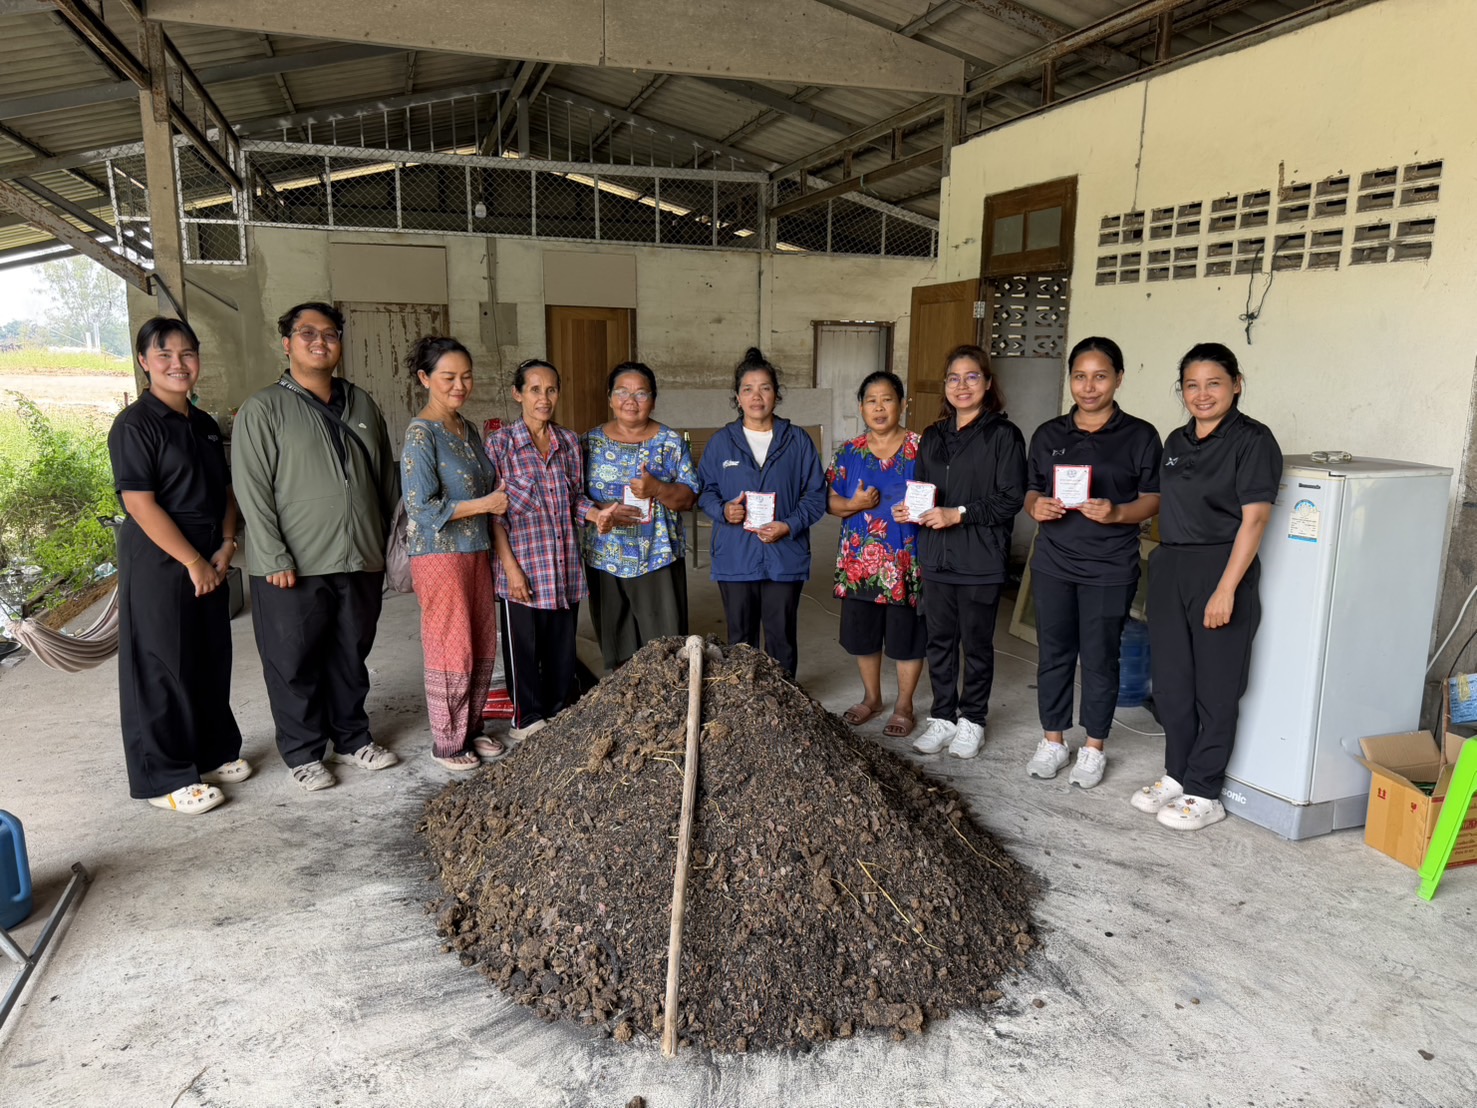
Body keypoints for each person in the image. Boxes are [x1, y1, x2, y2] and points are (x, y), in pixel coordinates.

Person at [233, 302, 403, 792]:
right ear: (287, 343)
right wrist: (273, 555)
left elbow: (384, 478)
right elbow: (252, 488)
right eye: (307, 333)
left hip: (360, 556)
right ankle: (304, 752)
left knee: (350, 653)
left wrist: (390, 545)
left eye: (330, 333)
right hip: (294, 563)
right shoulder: (264, 408)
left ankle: (352, 738)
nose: (320, 341)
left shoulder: (361, 403)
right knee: (293, 662)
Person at [1130, 342, 1281, 831]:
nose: (1202, 394)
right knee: (1172, 684)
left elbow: (1255, 520)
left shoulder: (1253, 440)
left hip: (1221, 566)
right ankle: (1177, 774)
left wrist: (1226, 588)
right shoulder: (1176, 441)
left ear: (1237, 385)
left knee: (1216, 688)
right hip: (1171, 565)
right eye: (1191, 385)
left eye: (1213, 383)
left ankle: (1204, 791)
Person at [108, 317, 248, 814]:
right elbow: (139, 503)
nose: (178, 364)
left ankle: (210, 752)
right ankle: (163, 778)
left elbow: (225, 490)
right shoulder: (135, 425)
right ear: (144, 362)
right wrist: (191, 560)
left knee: (208, 656)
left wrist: (227, 543)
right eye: (164, 354)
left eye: (187, 353)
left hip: (209, 554)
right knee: (161, 665)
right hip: (160, 558)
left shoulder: (203, 423)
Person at [1023, 337, 1163, 789]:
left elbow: (1154, 498)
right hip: (1054, 562)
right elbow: (1031, 488)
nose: (1088, 386)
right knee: (1054, 653)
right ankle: (1053, 740)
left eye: (1100, 376)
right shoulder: (1049, 434)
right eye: (1080, 377)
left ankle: (1093, 747)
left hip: (1110, 566)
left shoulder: (1140, 435)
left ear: (1119, 379)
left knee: (1101, 657)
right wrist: (1036, 506)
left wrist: (1118, 512)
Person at [486, 359, 620, 740]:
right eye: (534, 389)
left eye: (551, 390)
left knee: (562, 650)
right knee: (524, 652)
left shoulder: (569, 442)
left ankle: (560, 712)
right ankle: (526, 720)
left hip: (562, 567)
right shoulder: (500, 444)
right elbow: (494, 515)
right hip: (524, 568)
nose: (544, 398)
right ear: (518, 394)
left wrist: (596, 515)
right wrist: (510, 569)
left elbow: (575, 497)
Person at [907, 344, 1026, 760]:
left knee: (975, 645)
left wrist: (958, 514)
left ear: (988, 383)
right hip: (937, 557)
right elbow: (923, 490)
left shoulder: (1003, 435)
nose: (962, 385)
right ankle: (943, 716)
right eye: (954, 378)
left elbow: (1011, 498)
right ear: (945, 385)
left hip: (980, 559)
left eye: (972, 377)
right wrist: (912, 509)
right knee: (939, 641)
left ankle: (973, 719)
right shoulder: (933, 436)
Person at [401, 336, 511, 772]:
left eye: (466, 376)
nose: (459, 385)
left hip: (475, 550)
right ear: (425, 378)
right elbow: (422, 508)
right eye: (448, 377)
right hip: (440, 555)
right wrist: (485, 504)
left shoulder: (467, 428)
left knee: (480, 641)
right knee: (452, 647)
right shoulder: (421, 434)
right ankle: (447, 741)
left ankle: (471, 726)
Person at [697, 348, 826, 680]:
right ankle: (743, 701)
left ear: (777, 395)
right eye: (748, 389)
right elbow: (704, 490)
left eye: (765, 388)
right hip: (735, 556)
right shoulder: (721, 443)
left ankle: (784, 698)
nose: (757, 396)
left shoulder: (797, 441)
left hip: (784, 555)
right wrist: (723, 510)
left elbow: (816, 495)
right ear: (738, 397)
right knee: (740, 638)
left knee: (781, 635)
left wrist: (789, 525)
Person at [580, 361, 700, 671]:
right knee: (616, 650)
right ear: (609, 398)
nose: (630, 401)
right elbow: (572, 496)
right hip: (605, 557)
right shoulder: (588, 443)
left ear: (654, 400)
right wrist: (599, 512)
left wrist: (657, 488)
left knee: (665, 652)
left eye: (641, 393)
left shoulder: (670, 443)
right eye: (622, 392)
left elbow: (689, 498)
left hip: (657, 556)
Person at [827, 370, 925, 738]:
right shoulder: (849, 451)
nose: (879, 407)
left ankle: (904, 705)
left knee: (907, 637)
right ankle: (872, 698)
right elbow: (829, 501)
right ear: (861, 408)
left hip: (905, 560)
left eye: (887, 400)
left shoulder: (921, 448)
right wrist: (853, 504)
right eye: (871, 401)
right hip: (859, 563)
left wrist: (919, 510)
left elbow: (938, 495)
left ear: (902, 404)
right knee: (863, 634)